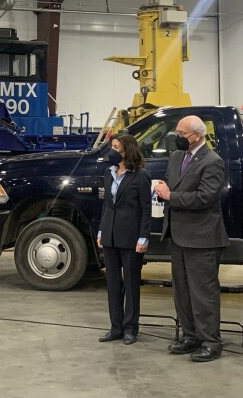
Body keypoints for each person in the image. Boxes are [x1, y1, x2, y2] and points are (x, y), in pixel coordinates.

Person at [155, 115, 228, 362]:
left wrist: (170, 196)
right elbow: (170, 185)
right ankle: (190, 336)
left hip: (202, 237)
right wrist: (163, 191)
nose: (177, 137)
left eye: (181, 134)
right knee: (182, 292)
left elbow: (205, 197)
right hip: (178, 235)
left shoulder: (213, 161)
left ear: (197, 135)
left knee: (203, 293)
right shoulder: (177, 157)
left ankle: (211, 342)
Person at [96, 133, 152, 345]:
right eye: (112, 146)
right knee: (113, 284)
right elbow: (107, 205)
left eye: (117, 147)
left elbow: (146, 209)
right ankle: (116, 328)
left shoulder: (141, 176)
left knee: (131, 283)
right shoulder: (108, 173)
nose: (113, 151)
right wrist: (101, 232)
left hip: (131, 238)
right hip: (110, 235)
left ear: (127, 150)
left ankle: (130, 328)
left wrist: (143, 237)